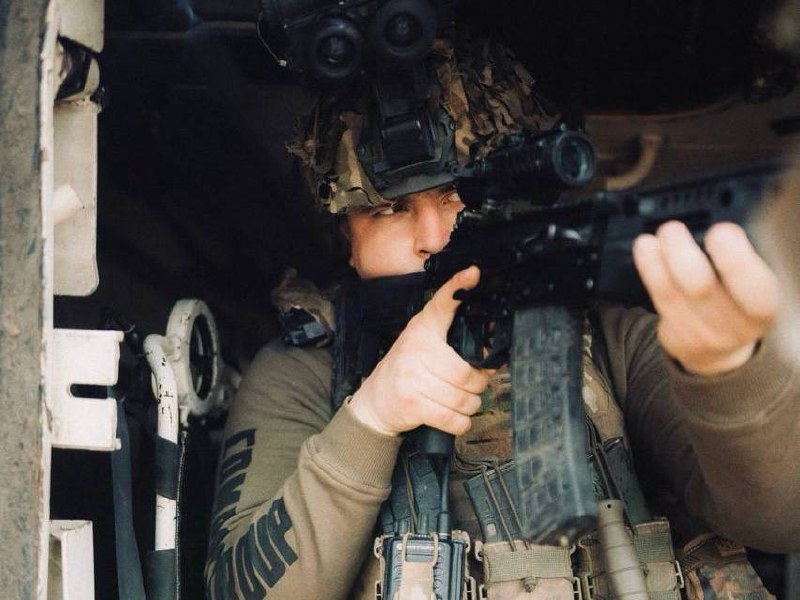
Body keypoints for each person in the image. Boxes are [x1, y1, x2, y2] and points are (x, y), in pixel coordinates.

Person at [204, 40, 800, 600]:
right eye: (389, 209)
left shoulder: (613, 335)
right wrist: (371, 420)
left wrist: (728, 369)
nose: (434, 237)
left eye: (458, 196)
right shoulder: (304, 372)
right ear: (347, 238)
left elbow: (781, 519)